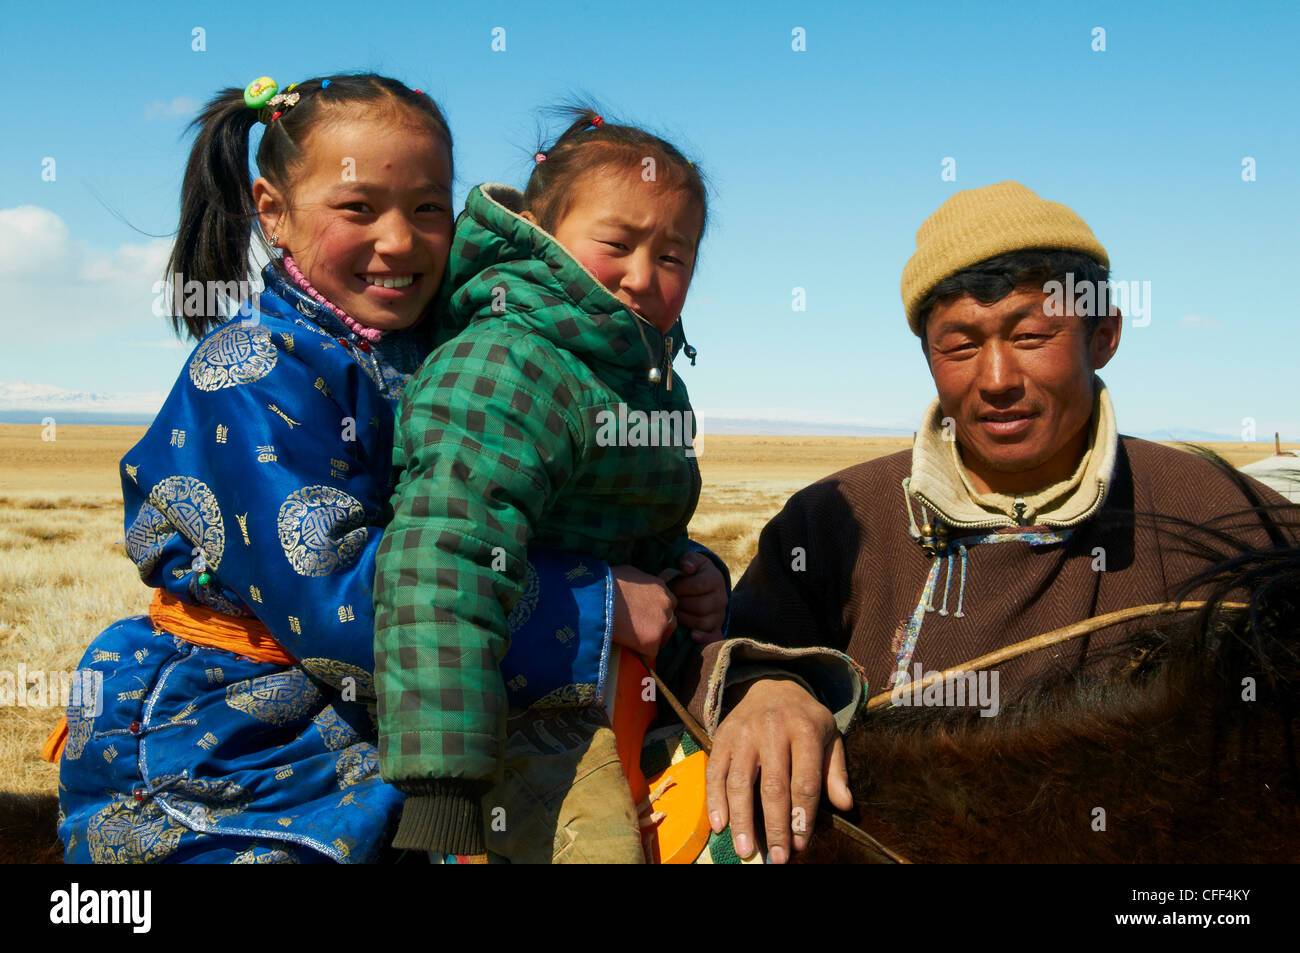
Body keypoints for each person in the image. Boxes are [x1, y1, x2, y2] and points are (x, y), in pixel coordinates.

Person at [48, 75, 657, 863]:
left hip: (409, 712)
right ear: (273, 212)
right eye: (359, 207)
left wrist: (676, 573)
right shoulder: (248, 375)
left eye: (428, 207)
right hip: (237, 740)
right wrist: (598, 605)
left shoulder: (460, 356)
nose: (400, 240)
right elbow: (340, 600)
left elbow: (560, 504)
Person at [678, 180, 1298, 864]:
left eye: (1032, 335)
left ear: (1106, 334)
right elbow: (730, 650)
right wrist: (769, 688)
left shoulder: (1216, 507)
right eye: (960, 345)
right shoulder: (834, 522)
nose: (997, 376)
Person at [374, 108, 728, 862]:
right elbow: (443, 558)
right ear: (540, 228)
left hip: (630, 689)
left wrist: (693, 574)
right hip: (520, 714)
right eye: (618, 244)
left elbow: (620, 527)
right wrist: (444, 785)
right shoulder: (508, 365)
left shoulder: (643, 378)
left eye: (674, 256)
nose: (643, 276)